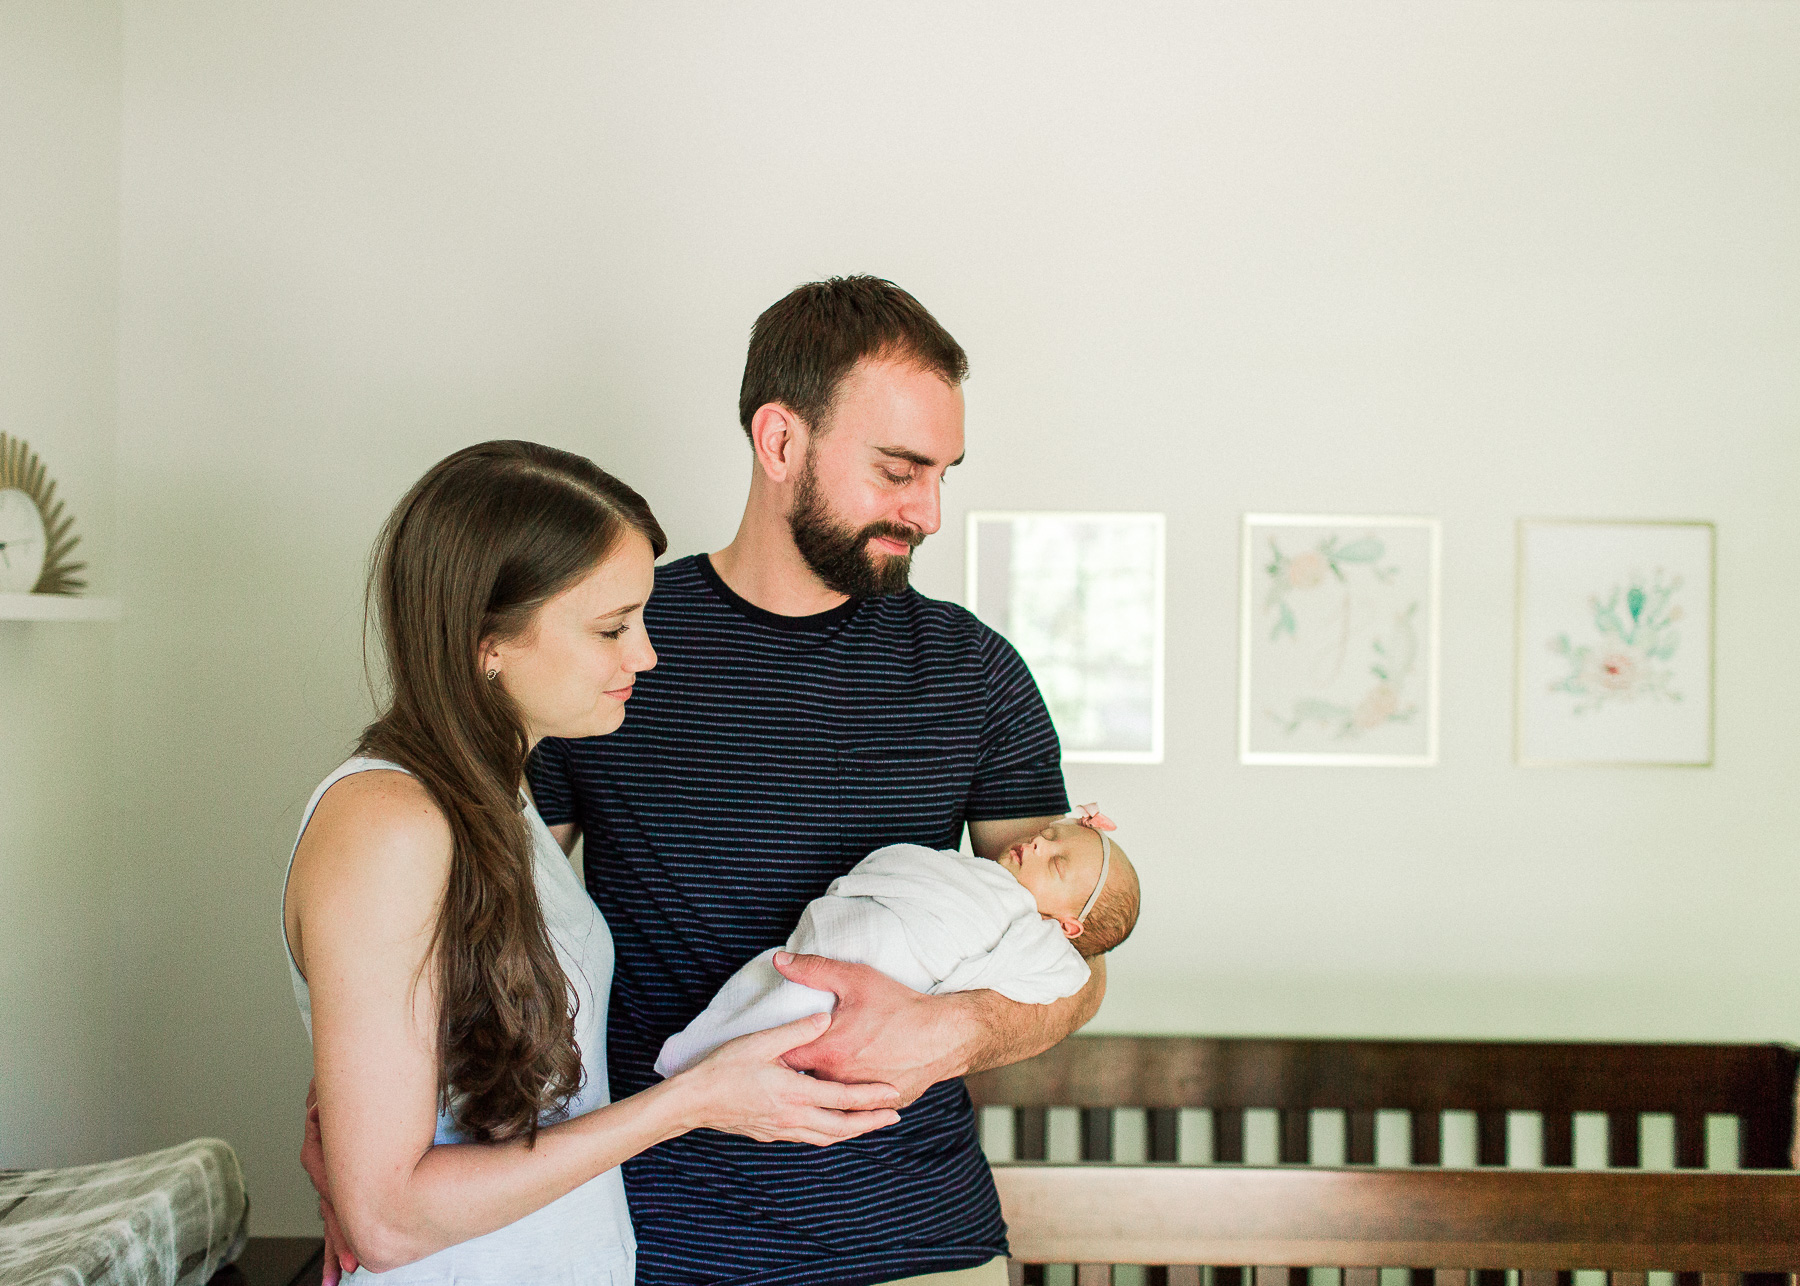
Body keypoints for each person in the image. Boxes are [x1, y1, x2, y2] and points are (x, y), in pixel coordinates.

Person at [524, 275, 1106, 1286]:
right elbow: (484, 920)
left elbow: (1075, 955)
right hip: (651, 1243)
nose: (928, 509)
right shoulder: (614, 643)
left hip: (924, 1243)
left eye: (941, 474)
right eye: (898, 469)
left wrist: (953, 1029)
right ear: (780, 440)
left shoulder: (975, 673)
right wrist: (385, 1128)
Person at [284, 442, 901, 1284]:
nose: (644, 656)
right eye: (613, 628)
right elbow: (388, 1219)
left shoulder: (501, 802)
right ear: (485, 642)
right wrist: (694, 1100)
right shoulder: (390, 822)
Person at [656, 806, 1142, 1076]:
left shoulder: (1039, 941)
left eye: (1056, 863)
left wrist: (945, 1023)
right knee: (785, 985)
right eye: (1051, 834)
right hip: (856, 925)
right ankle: (707, 1063)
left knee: (798, 1018)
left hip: (896, 964)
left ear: (1066, 926)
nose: (1040, 843)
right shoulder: (976, 874)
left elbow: (1076, 979)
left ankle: (707, 1064)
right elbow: (910, 867)